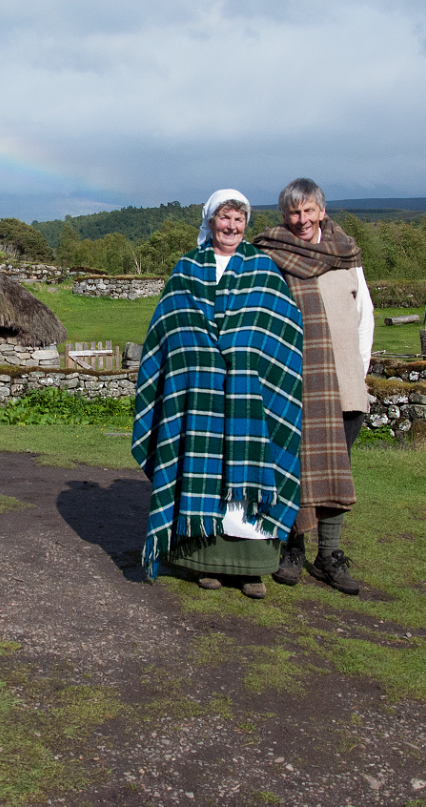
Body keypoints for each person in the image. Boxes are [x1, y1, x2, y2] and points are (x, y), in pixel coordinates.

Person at [133, 189, 307, 600]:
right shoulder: (187, 269)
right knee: (203, 471)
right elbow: (169, 327)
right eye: (225, 218)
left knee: (248, 476)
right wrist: (199, 355)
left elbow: (284, 328)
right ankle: (204, 562)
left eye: (239, 219)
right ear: (211, 221)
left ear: (246, 224)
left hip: (250, 396)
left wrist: (247, 351)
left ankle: (252, 569)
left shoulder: (262, 269)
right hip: (199, 393)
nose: (232, 226)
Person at [253, 178, 374, 595]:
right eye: (294, 212)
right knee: (294, 465)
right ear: (284, 215)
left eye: (308, 210)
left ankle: (329, 555)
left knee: (337, 467)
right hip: (295, 384)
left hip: (345, 382)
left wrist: (358, 372)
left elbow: (364, 317)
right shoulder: (273, 256)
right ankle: (292, 549)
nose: (302, 219)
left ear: (322, 211)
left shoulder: (346, 255)